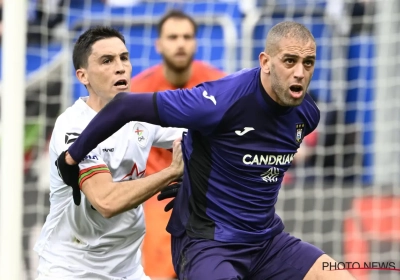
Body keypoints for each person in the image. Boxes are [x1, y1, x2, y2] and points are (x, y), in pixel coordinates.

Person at [56, 21, 356, 280]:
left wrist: (195, 177)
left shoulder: (307, 116)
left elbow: (224, 150)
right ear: (265, 62)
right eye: (289, 61)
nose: (300, 73)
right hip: (210, 244)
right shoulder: (220, 101)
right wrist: (71, 157)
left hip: (267, 241)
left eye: (308, 63)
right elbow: (124, 105)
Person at [33, 26, 185, 279]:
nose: (120, 67)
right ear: (83, 76)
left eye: (124, 57)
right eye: (107, 60)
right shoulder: (73, 127)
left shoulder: (141, 117)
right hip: (71, 268)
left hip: (127, 269)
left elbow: (196, 136)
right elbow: (106, 202)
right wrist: (172, 172)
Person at [130, 9, 225, 278]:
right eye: (173, 37)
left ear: (195, 43)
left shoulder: (220, 86)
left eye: (186, 36)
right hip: (158, 191)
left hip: (211, 192)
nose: (180, 43)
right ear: (158, 44)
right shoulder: (137, 92)